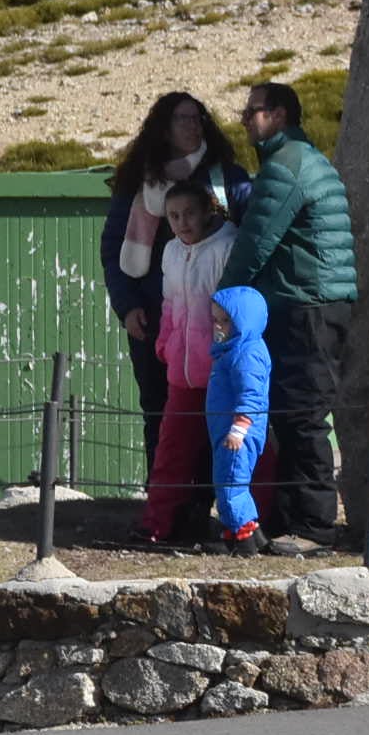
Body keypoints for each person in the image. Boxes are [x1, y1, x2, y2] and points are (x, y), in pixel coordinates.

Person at [223, 82, 358, 554]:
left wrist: (225, 298)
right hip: (318, 304)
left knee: (301, 416)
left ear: (278, 115)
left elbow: (255, 243)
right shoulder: (305, 159)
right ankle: (293, 517)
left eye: (252, 111)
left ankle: (314, 527)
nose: (244, 119)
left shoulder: (285, 167)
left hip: (306, 307)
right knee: (294, 413)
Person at [99, 92, 249, 471]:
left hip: (219, 322)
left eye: (197, 116)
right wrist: (127, 306)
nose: (192, 124)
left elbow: (250, 242)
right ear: (164, 128)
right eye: (182, 118)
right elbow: (113, 247)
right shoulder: (139, 181)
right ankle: (165, 502)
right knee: (160, 412)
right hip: (156, 320)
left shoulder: (226, 178)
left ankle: (219, 502)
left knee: (220, 411)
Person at [137, 181, 235, 546]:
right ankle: (156, 524)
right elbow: (169, 304)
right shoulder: (171, 252)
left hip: (219, 372)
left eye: (189, 213)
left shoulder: (227, 247)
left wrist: (227, 355)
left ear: (208, 209)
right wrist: (165, 344)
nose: (181, 223)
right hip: (181, 371)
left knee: (229, 450)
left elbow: (233, 309)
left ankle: (236, 528)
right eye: (174, 216)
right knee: (171, 451)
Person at [204, 287, 274, 558]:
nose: (219, 327)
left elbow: (251, 394)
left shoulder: (246, 353)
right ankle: (249, 531)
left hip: (237, 433)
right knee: (231, 480)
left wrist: (239, 428)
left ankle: (240, 538)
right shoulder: (232, 350)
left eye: (226, 321)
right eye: (216, 320)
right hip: (226, 429)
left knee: (230, 481)